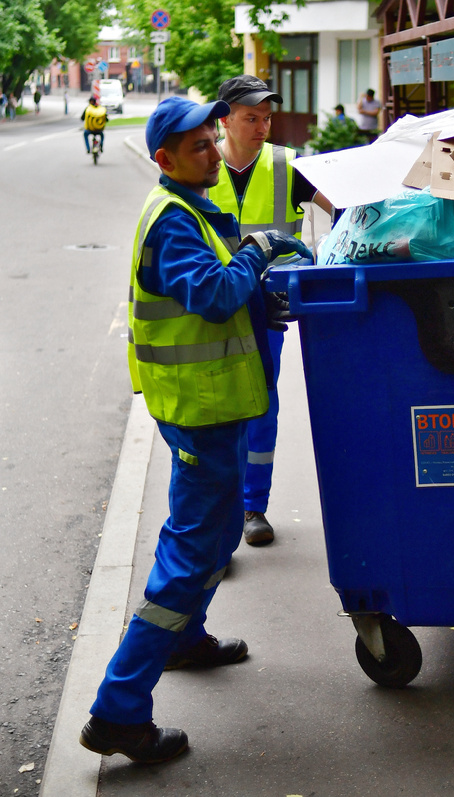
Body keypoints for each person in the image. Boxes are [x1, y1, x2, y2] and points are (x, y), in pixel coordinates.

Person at [78, 96, 312, 763]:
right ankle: (118, 709)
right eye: (200, 145)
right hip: (201, 410)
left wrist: (255, 277)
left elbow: (219, 288)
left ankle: (186, 639)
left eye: (214, 138)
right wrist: (258, 253)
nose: (214, 150)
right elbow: (211, 295)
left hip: (212, 405)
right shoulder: (173, 219)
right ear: (165, 159)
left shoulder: (192, 208)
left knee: (210, 538)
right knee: (190, 554)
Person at [210, 74, 333, 548]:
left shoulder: (287, 166)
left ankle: (251, 507)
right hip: (214, 305)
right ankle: (219, 512)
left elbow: (340, 208)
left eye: (266, 118)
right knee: (218, 412)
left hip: (267, 307)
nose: (262, 127)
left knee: (261, 403)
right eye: (250, 118)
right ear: (224, 119)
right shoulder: (201, 164)